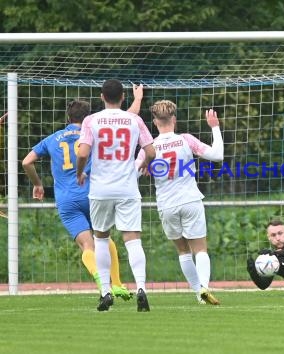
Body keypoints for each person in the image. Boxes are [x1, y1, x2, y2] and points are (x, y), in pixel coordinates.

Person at [21, 93, 143, 301]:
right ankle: (117, 284)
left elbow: (26, 162)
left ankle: (100, 283)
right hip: (93, 194)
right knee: (103, 238)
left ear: (68, 118)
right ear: (87, 118)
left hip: (67, 200)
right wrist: (137, 98)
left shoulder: (53, 138)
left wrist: (38, 184)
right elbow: (127, 117)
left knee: (87, 245)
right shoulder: (93, 131)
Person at [76, 79, 156, 312]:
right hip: (127, 188)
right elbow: (150, 151)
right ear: (122, 97)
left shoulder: (91, 120)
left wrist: (81, 172)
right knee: (133, 239)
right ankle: (141, 287)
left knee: (100, 238)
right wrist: (145, 164)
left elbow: (82, 153)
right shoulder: (134, 120)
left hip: (100, 189)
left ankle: (106, 292)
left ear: (101, 97)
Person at [136, 100, 223, 305]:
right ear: (174, 119)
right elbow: (217, 155)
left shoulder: (149, 147)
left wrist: (146, 165)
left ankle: (198, 293)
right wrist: (215, 127)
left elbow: (133, 172)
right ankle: (204, 289)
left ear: (155, 122)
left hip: (166, 205)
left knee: (183, 251)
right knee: (200, 249)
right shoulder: (186, 140)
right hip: (191, 200)